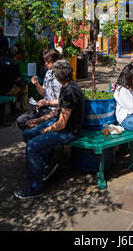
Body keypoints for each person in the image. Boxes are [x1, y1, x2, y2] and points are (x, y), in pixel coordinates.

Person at [14, 59, 84, 199]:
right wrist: (39, 120)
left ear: (58, 76)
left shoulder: (70, 91)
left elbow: (62, 123)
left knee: (33, 145)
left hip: (68, 132)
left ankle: (36, 188)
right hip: (59, 125)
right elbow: (59, 110)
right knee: (28, 134)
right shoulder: (67, 87)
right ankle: (44, 167)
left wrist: (44, 131)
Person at [16, 49, 62, 131]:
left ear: (55, 61)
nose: (45, 64)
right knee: (21, 121)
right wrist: (36, 84)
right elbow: (44, 93)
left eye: (48, 62)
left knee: (29, 125)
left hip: (54, 111)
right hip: (44, 108)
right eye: (45, 61)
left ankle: (36, 135)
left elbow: (63, 100)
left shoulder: (61, 77)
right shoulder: (48, 73)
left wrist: (47, 102)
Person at [0, 46, 29, 124]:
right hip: (5, 90)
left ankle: (13, 108)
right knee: (25, 87)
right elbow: (17, 80)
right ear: (16, 55)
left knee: (12, 86)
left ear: (7, 52)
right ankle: (25, 110)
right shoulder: (15, 63)